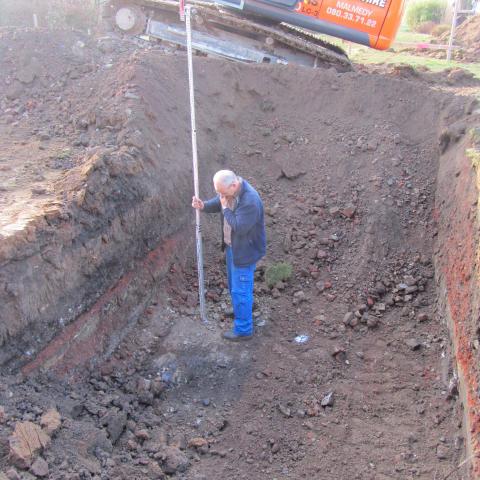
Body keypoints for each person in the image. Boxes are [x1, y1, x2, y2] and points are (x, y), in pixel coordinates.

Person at [192, 170, 266, 341]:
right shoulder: (231, 191)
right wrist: (203, 206)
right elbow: (220, 202)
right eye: (219, 192)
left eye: (223, 193)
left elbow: (239, 227)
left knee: (240, 289)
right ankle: (242, 309)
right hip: (233, 248)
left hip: (245, 251)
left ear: (233, 185)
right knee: (236, 285)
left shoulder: (250, 201)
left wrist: (225, 209)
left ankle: (243, 329)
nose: (220, 196)